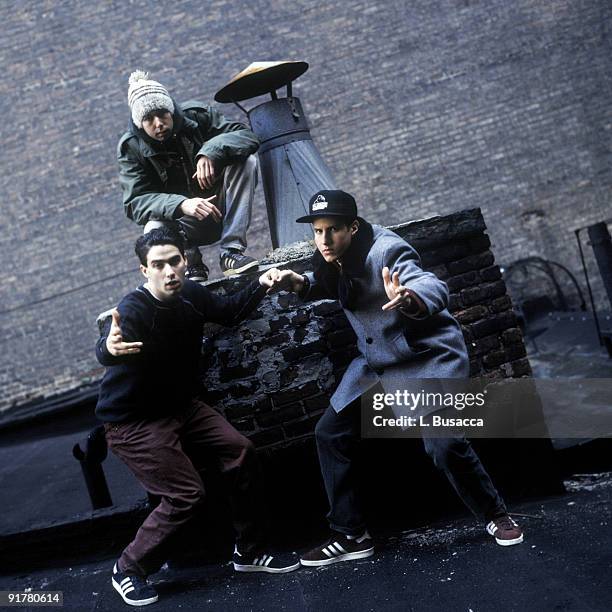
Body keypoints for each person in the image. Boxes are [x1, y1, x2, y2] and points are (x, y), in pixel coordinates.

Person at [275, 189, 524, 566]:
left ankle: (495, 515)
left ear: (353, 227)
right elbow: (334, 283)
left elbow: (432, 285)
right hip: (377, 361)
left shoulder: (387, 251)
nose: (324, 240)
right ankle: (351, 534)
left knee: (443, 447)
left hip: (424, 357)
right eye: (318, 231)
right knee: (330, 432)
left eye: (333, 230)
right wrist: (300, 284)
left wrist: (409, 298)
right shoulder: (331, 256)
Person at [95, 228, 298, 607]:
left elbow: (231, 311)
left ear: (185, 261)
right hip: (134, 422)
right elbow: (109, 340)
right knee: (186, 495)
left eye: (175, 261)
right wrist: (108, 348)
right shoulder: (135, 309)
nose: (169, 271)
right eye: (159, 265)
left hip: (182, 408)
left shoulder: (191, 294)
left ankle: (249, 553)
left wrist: (264, 281)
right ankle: (128, 568)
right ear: (144, 271)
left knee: (241, 450)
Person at [118, 70, 260, 282]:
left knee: (247, 162)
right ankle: (190, 265)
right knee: (152, 228)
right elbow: (134, 203)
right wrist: (181, 204)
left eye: (162, 113)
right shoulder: (131, 148)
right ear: (139, 123)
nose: (158, 123)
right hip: (183, 224)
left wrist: (211, 151)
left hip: (221, 207)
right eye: (149, 119)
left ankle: (231, 252)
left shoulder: (196, 116)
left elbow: (246, 136)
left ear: (171, 110)